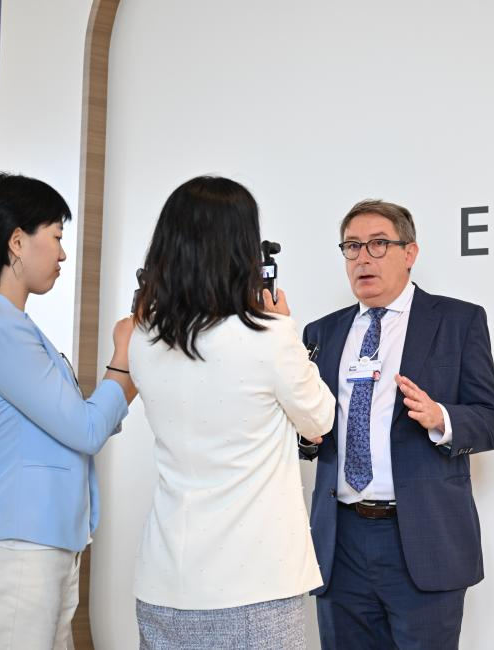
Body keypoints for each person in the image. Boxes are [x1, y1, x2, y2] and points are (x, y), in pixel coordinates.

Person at [129, 176, 334, 649]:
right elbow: (320, 418)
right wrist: (284, 326)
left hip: (162, 581)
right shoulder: (269, 337)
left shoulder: (142, 339)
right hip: (254, 586)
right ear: (241, 248)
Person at [303, 199, 494, 649]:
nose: (363, 258)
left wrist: (442, 417)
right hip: (340, 543)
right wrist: (305, 436)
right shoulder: (321, 333)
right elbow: (310, 432)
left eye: (378, 244)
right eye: (352, 246)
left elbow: (493, 421)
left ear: (410, 252)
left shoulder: (458, 321)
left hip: (421, 539)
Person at [0, 172, 137, 649]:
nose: (62, 254)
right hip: (17, 555)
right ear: (17, 242)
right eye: (55, 236)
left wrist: (132, 361)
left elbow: (81, 425)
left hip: (41, 550)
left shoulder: (12, 327)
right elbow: (87, 429)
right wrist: (124, 354)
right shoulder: (1, 331)